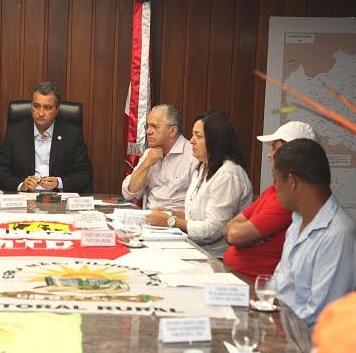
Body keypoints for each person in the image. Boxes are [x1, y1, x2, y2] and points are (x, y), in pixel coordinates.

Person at [271, 139, 355, 328]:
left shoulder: (337, 235)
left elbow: (320, 315)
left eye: (276, 180)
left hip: (307, 348)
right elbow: (279, 283)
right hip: (281, 327)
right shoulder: (297, 220)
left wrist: (272, 326)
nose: (275, 187)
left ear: (291, 181)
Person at [145, 110, 252, 258]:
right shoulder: (202, 167)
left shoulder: (228, 174)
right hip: (194, 248)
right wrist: (171, 213)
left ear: (216, 140)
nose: (192, 141)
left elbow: (212, 230)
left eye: (198, 136)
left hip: (217, 258)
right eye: (192, 134)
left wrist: (170, 221)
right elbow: (195, 217)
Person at [222, 121, 317, 277]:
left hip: (258, 287)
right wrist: (250, 236)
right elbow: (228, 228)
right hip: (239, 278)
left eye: (274, 148)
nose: (269, 154)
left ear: (293, 155)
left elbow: (234, 235)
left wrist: (246, 236)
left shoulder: (289, 198)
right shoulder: (274, 189)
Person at [0, 81, 93, 193]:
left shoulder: (72, 134)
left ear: (57, 109)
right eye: (36, 106)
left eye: (47, 107)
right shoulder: (15, 133)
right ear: (31, 107)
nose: (40, 113)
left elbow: (85, 174)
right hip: (24, 200)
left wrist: (59, 182)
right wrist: (21, 185)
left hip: (59, 201)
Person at [121, 104, 195, 210]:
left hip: (176, 222)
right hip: (149, 220)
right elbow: (129, 194)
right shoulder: (149, 154)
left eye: (155, 126)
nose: (148, 131)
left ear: (173, 131)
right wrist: (146, 163)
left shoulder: (193, 155)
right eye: (148, 126)